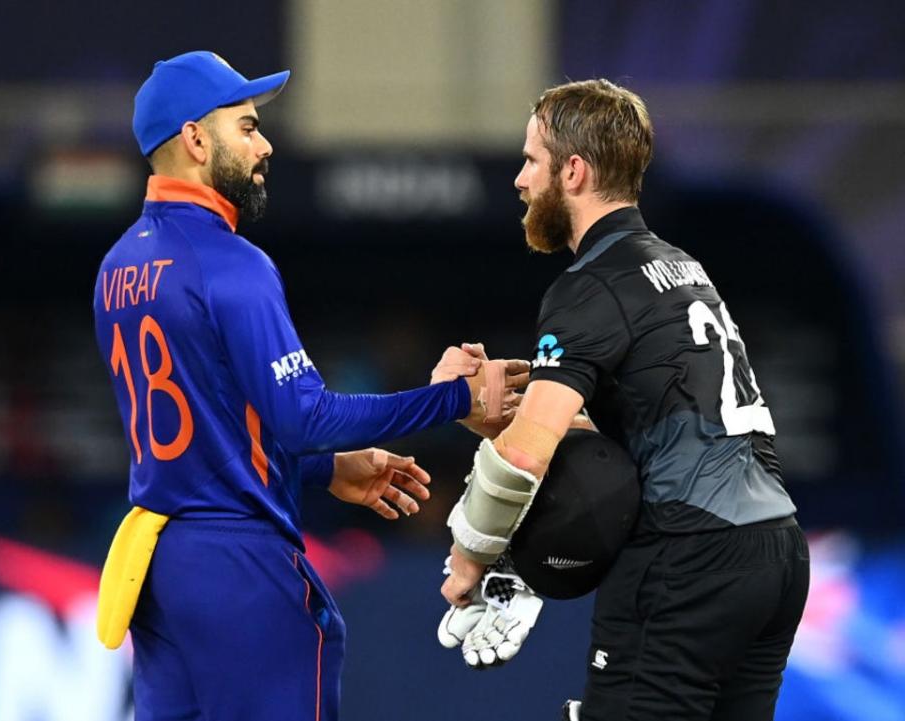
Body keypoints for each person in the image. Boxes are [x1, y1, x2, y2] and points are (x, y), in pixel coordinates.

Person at [92, 51, 526, 721]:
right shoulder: (233, 263)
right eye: (247, 127)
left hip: (160, 567)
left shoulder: (116, 268)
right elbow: (303, 417)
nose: (264, 145)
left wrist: (324, 470)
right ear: (196, 139)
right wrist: (458, 398)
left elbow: (213, 424)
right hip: (242, 563)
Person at [438, 79, 809, 721]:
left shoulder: (588, 288)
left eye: (531, 161)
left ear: (573, 171)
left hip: (688, 557)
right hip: (776, 553)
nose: (521, 181)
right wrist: (490, 408)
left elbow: (527, 456)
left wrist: (471, 559)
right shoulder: (681, 266)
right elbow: (618, 435)